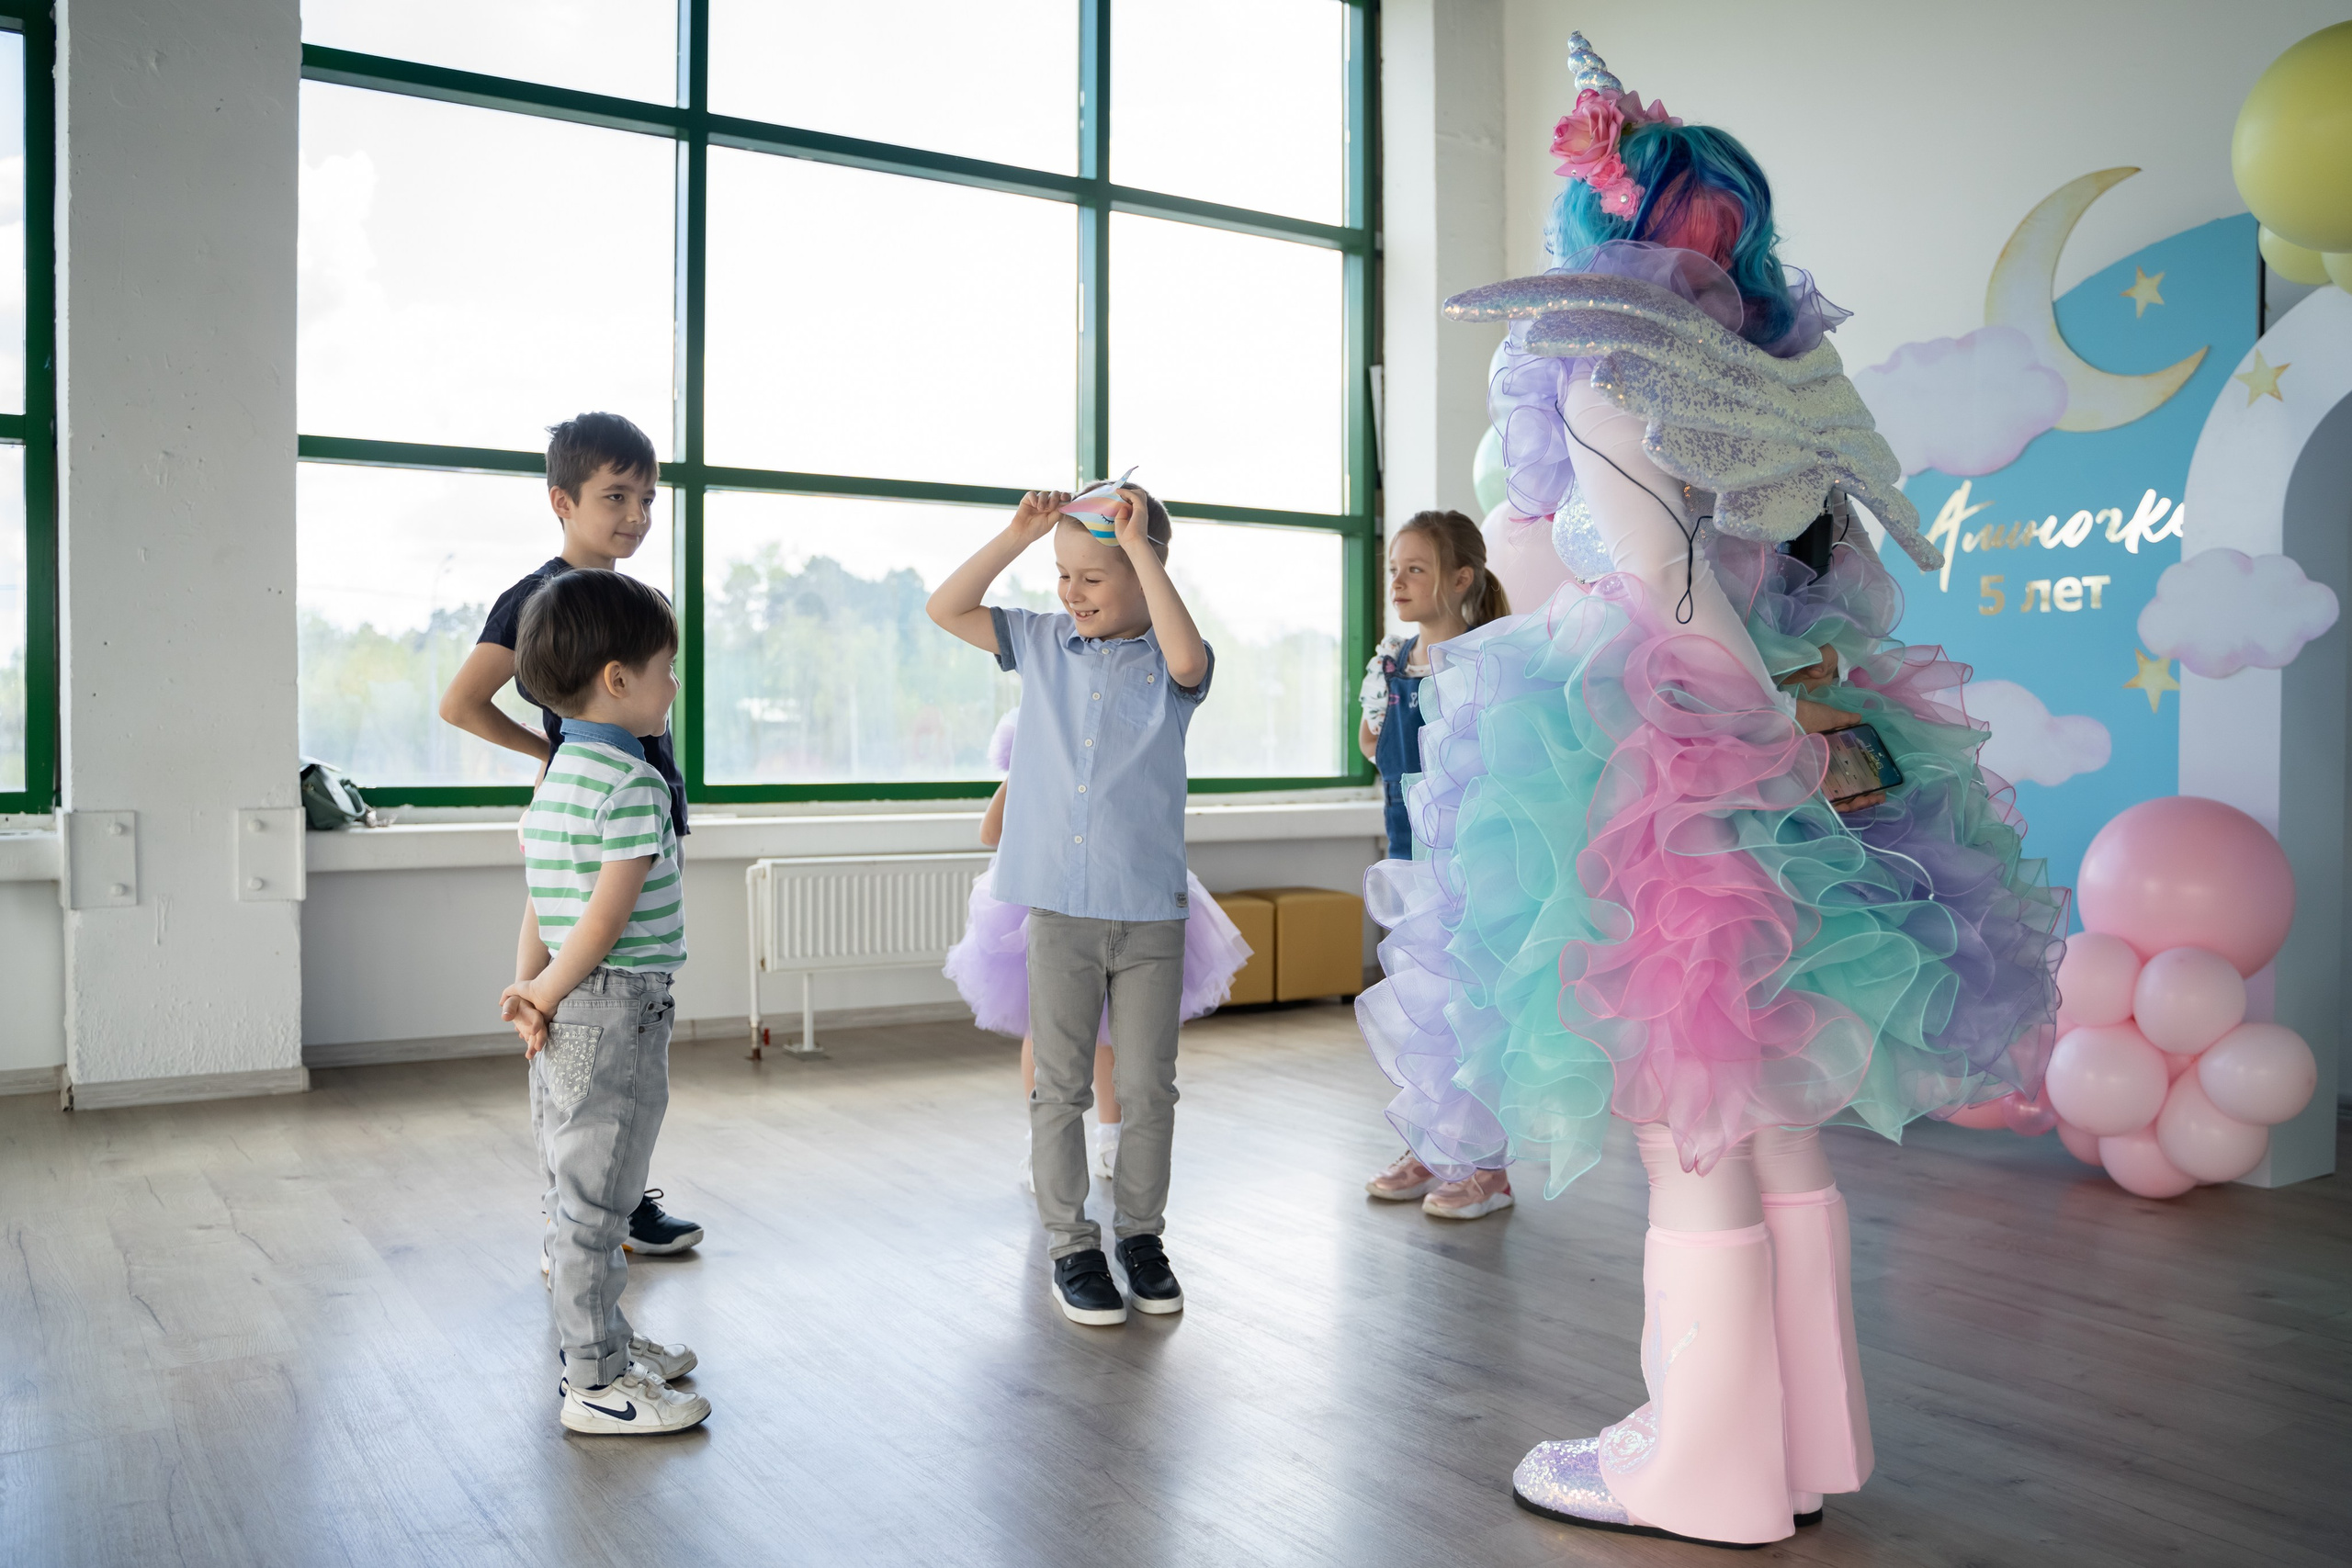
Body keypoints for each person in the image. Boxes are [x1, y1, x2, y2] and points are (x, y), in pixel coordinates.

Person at [1355, 34, 2065, 1548]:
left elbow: (1674, 601)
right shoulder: (1789, 371)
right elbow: (1852, 588)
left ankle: (1703, 1467)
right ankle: (1800, 1442)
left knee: (1695, 1119)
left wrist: (1763, 746)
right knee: (1779, 1102)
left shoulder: (1608, 359)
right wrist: (1816, 739)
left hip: (1668, 757)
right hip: (1817, 732)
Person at [927, 483, 1212, 1328]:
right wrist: (1020, 534)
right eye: (1063, 574)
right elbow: (949, 606)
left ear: (1145, 569)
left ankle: (1141, 1237)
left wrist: (1143, 551)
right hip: (1059, 911)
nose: (1071, 592)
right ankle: (1071, 1244)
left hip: (1150, 912)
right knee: (1059, 1090)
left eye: (1093, 576)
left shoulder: (1173, 660)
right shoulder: (1041, 643)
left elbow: (1190, 661)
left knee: (1150, 1087)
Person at [439, 411, 704, 1260]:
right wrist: (548, 755)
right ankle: (585, 1216)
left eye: (648, 499)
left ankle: (618, 1199)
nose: (635, 515)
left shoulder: (638, 601)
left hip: (644, 807)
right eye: (615, 496)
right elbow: (462, 702)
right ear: (562, 499)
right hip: (596, 816)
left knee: (631, 1048)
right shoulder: (538, 599)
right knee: (595, 1033)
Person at [500, 569, 709, 1436]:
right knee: (602, 1200)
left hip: (567, 1007)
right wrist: (548, 988)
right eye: (666, 669)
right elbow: (605, 914)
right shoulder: (634, 785)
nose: (673, 686)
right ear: (617, 679)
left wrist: (533, 994)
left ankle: (606, 1342)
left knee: (572, 1190)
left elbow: (544, 901)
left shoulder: (560, 776)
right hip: (615, 1006)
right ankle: (593, 1381)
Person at [945, 705, 1253, 1190]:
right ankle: (1042, 1145)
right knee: (1045, 1030)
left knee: (1109, 1029)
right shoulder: (1031, 769)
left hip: (1119, 895)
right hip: (1047, 904)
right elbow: (991, 832)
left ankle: (1110, 1139)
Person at [1354, 513, 1517, 1220]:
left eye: (1416, 568)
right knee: (1421, 1010)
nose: (1398, 580)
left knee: (1474, 1008)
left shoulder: (1488, 661)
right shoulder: (1390, 663)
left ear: (1461, 579)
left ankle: (1488, 1165)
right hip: (1408, 859)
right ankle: (1430, 1143)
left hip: (1472, 863)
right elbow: (1373, 746)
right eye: (1395, 567)